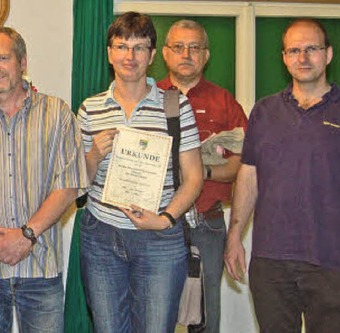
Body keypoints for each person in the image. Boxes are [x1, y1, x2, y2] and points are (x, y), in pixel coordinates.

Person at [224, 18, 340, 333]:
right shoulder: (264, 112)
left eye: (311, 49)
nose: (302, 58)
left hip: (331, 261)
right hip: (270, 262)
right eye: (294, 50)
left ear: (328, 54)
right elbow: (249, 178)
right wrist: (234, 236)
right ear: (285, 58)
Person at [0, 27, 87, 333]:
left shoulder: (58, 114)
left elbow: (69, 184)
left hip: (40, 267)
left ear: (22, 62)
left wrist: (26, 236)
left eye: (3, 58)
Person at [77, 12, 203, 333]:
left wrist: (164, 219)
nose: (129, 56)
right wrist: (93, 154)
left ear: (151, 55)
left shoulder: (176, 106)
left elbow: (194, 178)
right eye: (121, 46)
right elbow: (78, 183)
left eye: (139, 47)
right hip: (101, 236)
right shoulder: (91, 109)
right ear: (109, 53)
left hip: (160, 238)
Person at [158, 20, 248, 333]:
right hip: (156, 223)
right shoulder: (148, 97)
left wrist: (202, 170)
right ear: (166, 54)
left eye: (194, 48)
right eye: (179, 47)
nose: (187, 54)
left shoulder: (224, 102)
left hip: (207, 222)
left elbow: (244, 165)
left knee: (206, 313)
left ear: (206, 55)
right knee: (156, 308)